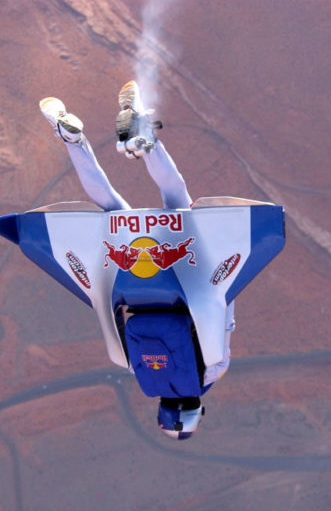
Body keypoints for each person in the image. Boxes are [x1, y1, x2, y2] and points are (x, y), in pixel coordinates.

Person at [39, 81, 234, 439]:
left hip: (185, 276)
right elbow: (112, 322)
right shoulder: (134, 369)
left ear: (196, 412)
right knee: (111, 206)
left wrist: (223, 262)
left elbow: (221, 306)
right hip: (133, 283)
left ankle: (145, 142)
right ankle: (72, 140)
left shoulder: (214, 370)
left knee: (177, 197)